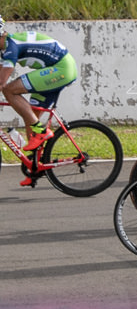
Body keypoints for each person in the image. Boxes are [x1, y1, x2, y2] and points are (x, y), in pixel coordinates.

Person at [0, 16, 79, 186]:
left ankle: (42, 131)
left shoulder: (10, 46)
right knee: (30, 116)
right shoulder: (5, 48)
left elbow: (2, 82)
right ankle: (35, 167)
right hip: (55, 69)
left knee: (9, 90)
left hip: (61, 69)